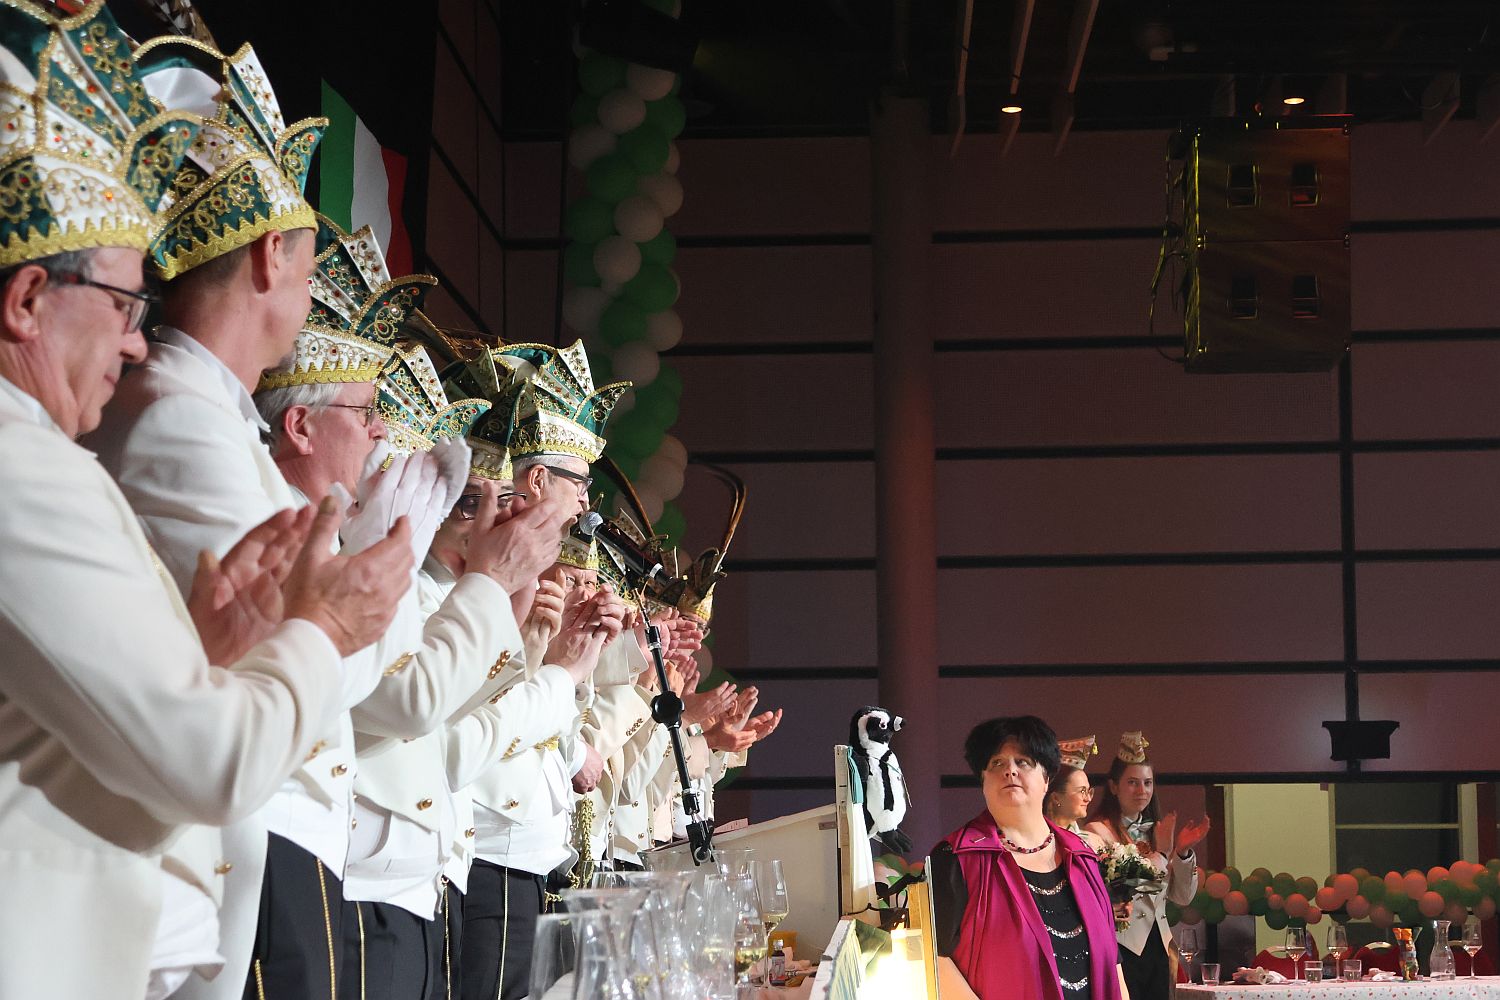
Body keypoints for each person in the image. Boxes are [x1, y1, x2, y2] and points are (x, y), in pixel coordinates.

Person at [0, 5, 408, 997]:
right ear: (24, 302)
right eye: (124, 304)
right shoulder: (23, 461)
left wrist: (207, 641)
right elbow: (208, 761)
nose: (136, 342)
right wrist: (322, 625)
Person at [931, 716, 1126, 1000]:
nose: (1010, 771)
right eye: (996, 763)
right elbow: (936, 959)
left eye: (1023, 762)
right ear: (982, 781)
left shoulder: (1082, 856)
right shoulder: (957, 857)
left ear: (1047, 780)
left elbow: (1113, 962)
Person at [1084, 732, 1208, 1000]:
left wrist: (1183, 852)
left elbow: (1182, 897)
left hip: (1160, 944)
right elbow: (1120, 888)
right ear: (1114, 787)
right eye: (1132, 783)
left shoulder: (1158, 831)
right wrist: (1162, 853)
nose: (1142, 791)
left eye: (1147, 783)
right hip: (1120, 943)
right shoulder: (1096, 832)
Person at [1047, 736, 1105, 852]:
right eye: (1082, 791)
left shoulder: (1095, 841)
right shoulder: (1043, 842)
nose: (1088, 798)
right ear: (1056, 797)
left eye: (1089, 791)